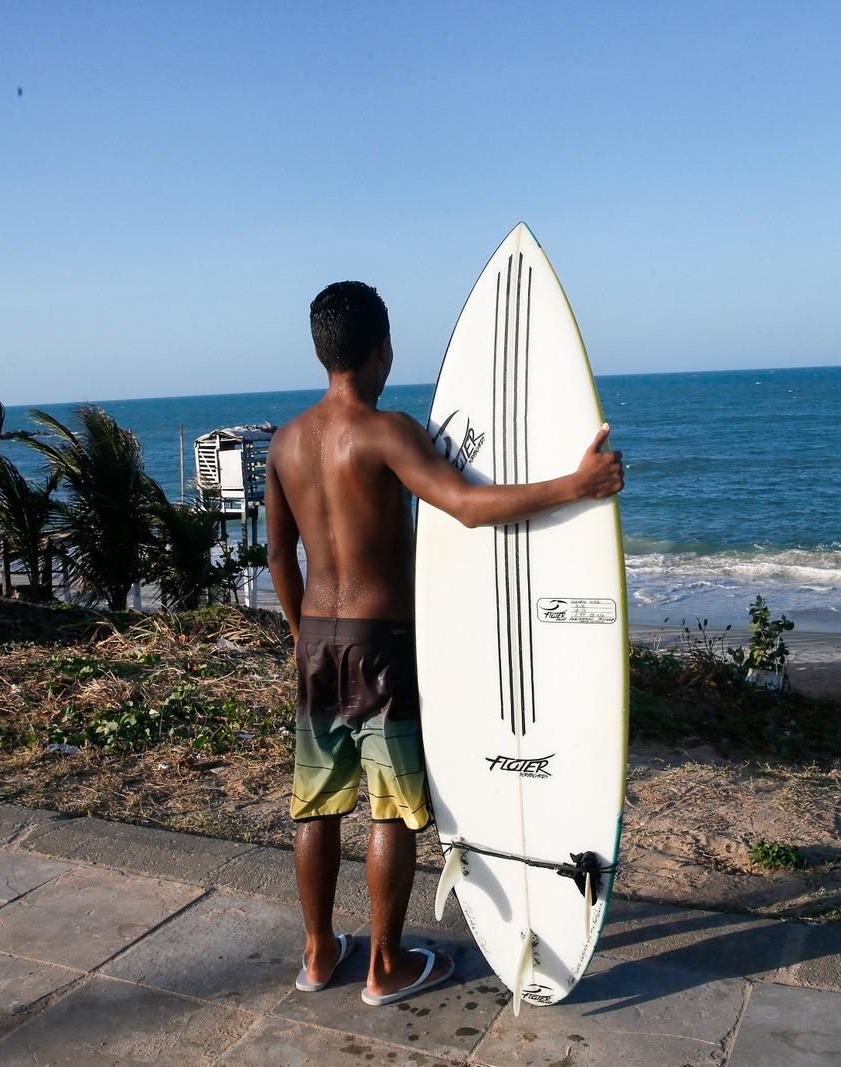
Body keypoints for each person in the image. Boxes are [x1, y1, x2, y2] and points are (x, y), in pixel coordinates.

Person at [265, 280, 625, 1005]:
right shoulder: (386, 429)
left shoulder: (286, 440)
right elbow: (463, 505)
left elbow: (278, 556)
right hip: (379, 646)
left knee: (315, 805)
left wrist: (305, 635)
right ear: (382, 348)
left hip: (318, 644)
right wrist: (578, 485)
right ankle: (384, 965)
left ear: (319, 349)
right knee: (391, 808)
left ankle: (318, 952)